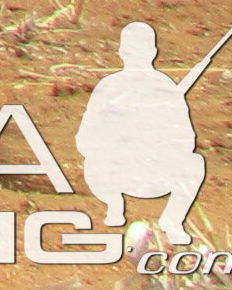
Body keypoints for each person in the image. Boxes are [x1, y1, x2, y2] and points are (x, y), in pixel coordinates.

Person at [75, 22, 210, 249]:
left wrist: (155, 138)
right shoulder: (109, 88)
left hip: (153, 172)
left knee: (194, 163)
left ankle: (172, 221)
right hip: (114, 172)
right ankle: (114, 204)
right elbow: (85, 141)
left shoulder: (165, 89)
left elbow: (186, 141)